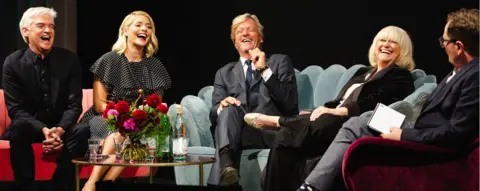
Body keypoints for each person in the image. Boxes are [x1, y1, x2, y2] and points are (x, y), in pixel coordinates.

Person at [295, 8, 479, 191]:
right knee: (362, 121)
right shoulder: (456, 73)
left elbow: (456, 133)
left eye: (444, 41)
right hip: (418, 129)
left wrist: (404, 134)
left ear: (459, 47)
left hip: (428, 143)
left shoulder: (475, 76)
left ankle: (311, 187)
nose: (443, 45)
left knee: (354, 125)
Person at [247, 26, 417, 191]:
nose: (386, 44)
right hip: (333, 119)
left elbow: (375, 101)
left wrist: (337, 111)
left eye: (393, 42)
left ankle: (278, 121)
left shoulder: (400, 75)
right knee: (284, 138)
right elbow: (337, 101)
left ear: (403, 49)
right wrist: (320, 110)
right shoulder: (363, 73)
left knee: (307, 125)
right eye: (382, 40)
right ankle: (286, 125)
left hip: (352, 123)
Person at [80, 11, 172, 191]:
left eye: (148, 27)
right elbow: (100, 105)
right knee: (120, 135)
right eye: (138, 25)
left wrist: (139, 121)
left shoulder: (154, 66)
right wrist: (124, 120)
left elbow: (157, 106)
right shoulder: (109, 60)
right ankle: (91, 184)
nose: (144, 29)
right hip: (106, 118)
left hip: (139, 124)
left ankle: (99, 186)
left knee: (131, 138)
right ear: (125, 30)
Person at [2, 6, 90, 191]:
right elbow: (16, 110)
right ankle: (25, 186)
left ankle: (60, 185)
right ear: (25, 31)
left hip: (61, 126)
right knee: (19, 127)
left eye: (51, 26)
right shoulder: (13, 63)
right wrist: (43, 130)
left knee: (82, 130)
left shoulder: (69, 60)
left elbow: (74, 105)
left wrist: (59, 129)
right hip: (30, 126)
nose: (48, 31)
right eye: (41, 26)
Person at [207, 13, 299, 186]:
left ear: (261, 38)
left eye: (250, 30)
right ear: (235, 43)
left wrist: (264, 70)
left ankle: (224, 170)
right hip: (236, 133)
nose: (245, 34)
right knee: (228, 108)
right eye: (240, 31)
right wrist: (221, 106)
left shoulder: (279, 62)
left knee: (225, 139)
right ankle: (227, 167)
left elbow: (291, 104)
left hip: (269, 132)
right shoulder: (224, 73)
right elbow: (213, 114)